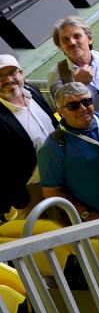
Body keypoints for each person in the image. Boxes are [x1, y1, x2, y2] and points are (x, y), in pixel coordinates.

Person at [37, 82, 99, 220]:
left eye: (86, 101)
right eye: (73, 106)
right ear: (60, 112)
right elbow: (51, 191)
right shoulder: (54, 147)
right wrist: (86, 215)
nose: (82, 108)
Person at [0, 53, 56, 214]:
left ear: (21, 73)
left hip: (66, 173)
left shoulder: (33, 91)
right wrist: (21, 199)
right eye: (0, 76)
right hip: (35, 190)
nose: (8, 79)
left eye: (12, 72)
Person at [47, 16, 99, 104]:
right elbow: (61, 107)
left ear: (90, 39)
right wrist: (78, 84)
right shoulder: (56, 74)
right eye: (65, 40)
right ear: (59, 46)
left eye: (77, 36)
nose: (72, 42)